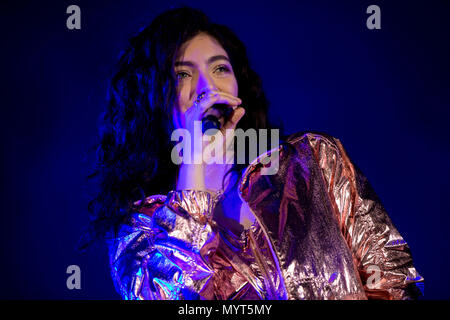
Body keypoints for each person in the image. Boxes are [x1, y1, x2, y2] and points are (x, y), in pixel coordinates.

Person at [86, 6, 424, 300]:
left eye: (220, 68)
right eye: (183, 74)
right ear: (152, 100)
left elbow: (392, 278)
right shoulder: (140, 232)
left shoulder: (314, 159)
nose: (209, 87)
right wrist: (193, 181)